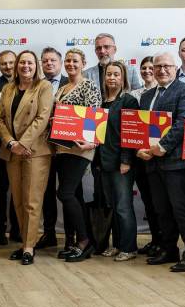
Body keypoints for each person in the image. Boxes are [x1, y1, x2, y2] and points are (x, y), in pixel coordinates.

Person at [138, 52, 185, 272]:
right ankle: (169, 249)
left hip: (177, 164)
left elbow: (184, 122)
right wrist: (141, 148)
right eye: (158, 66)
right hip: (152, 163)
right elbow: (142, 127)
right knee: (161, 210)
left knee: (182, 210)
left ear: (176, 68)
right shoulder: (146, 96)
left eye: (167, 66)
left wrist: (161, 147)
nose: (162, 70)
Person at [0, 49, 53, 265]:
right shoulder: (8, 88)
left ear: (36, 66)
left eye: (30, 63)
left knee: (31, 201)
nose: (25, 66)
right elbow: (0, 119)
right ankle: (24, 243)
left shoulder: (43, 86)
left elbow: (42, 118)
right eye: (22, 62)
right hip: (12, 151)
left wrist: (23, 143)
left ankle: (29, 247)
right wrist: (11, 143)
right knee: (18, 200)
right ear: (17, 66)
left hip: (34, 151)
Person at [53, 48, 102, 262]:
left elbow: (95, 117)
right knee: (75, 195)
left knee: (64, 193)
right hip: (61, 148)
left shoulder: (88, 85)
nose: (71, 64)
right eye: (68, 61)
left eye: (75, 61)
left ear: (83, 63)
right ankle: (75, 242)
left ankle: (84, 241)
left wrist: (92, 142)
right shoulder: (62, 88)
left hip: (81, 148)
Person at [97, 61, 140, 260]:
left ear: (123, 78)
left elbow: (130, 134)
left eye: (116, 74)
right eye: (109, 74)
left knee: (123, 206)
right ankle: (117, 245)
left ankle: (129, 247)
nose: (112, 78)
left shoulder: (129, 101)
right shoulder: (101, 101)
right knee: (113, 206)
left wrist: (126, 160)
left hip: (121, 162)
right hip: (103, 161)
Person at [35, 46, 68, 249]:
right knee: (46, 192)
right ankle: (49, 233)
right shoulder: (36, 85)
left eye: (53, 60)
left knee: (68, 192)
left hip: (66, 147)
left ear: (60, 63)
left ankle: (71, 237)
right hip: (42, 146)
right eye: (45, 60)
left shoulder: (70, 83)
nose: (49, 63)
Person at [130, 56, 161, 257]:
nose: (148, 71)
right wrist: (136, 150)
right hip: (141, 157)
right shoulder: (134, 95)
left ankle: (164, 241)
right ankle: (155, 240)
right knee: (149, 202)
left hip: (160, 155)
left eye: (151, 67)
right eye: (144, 68)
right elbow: (132, 128)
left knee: (161, 203)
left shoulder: (164, 92)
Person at [0, 49, 21, 243]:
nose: (8, 66)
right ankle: (0, 230)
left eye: (11, 62)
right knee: (0, 190)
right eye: (4, 63)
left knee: (18, 190)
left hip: (21, 146)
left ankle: (17, 230)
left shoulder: (27, 83)